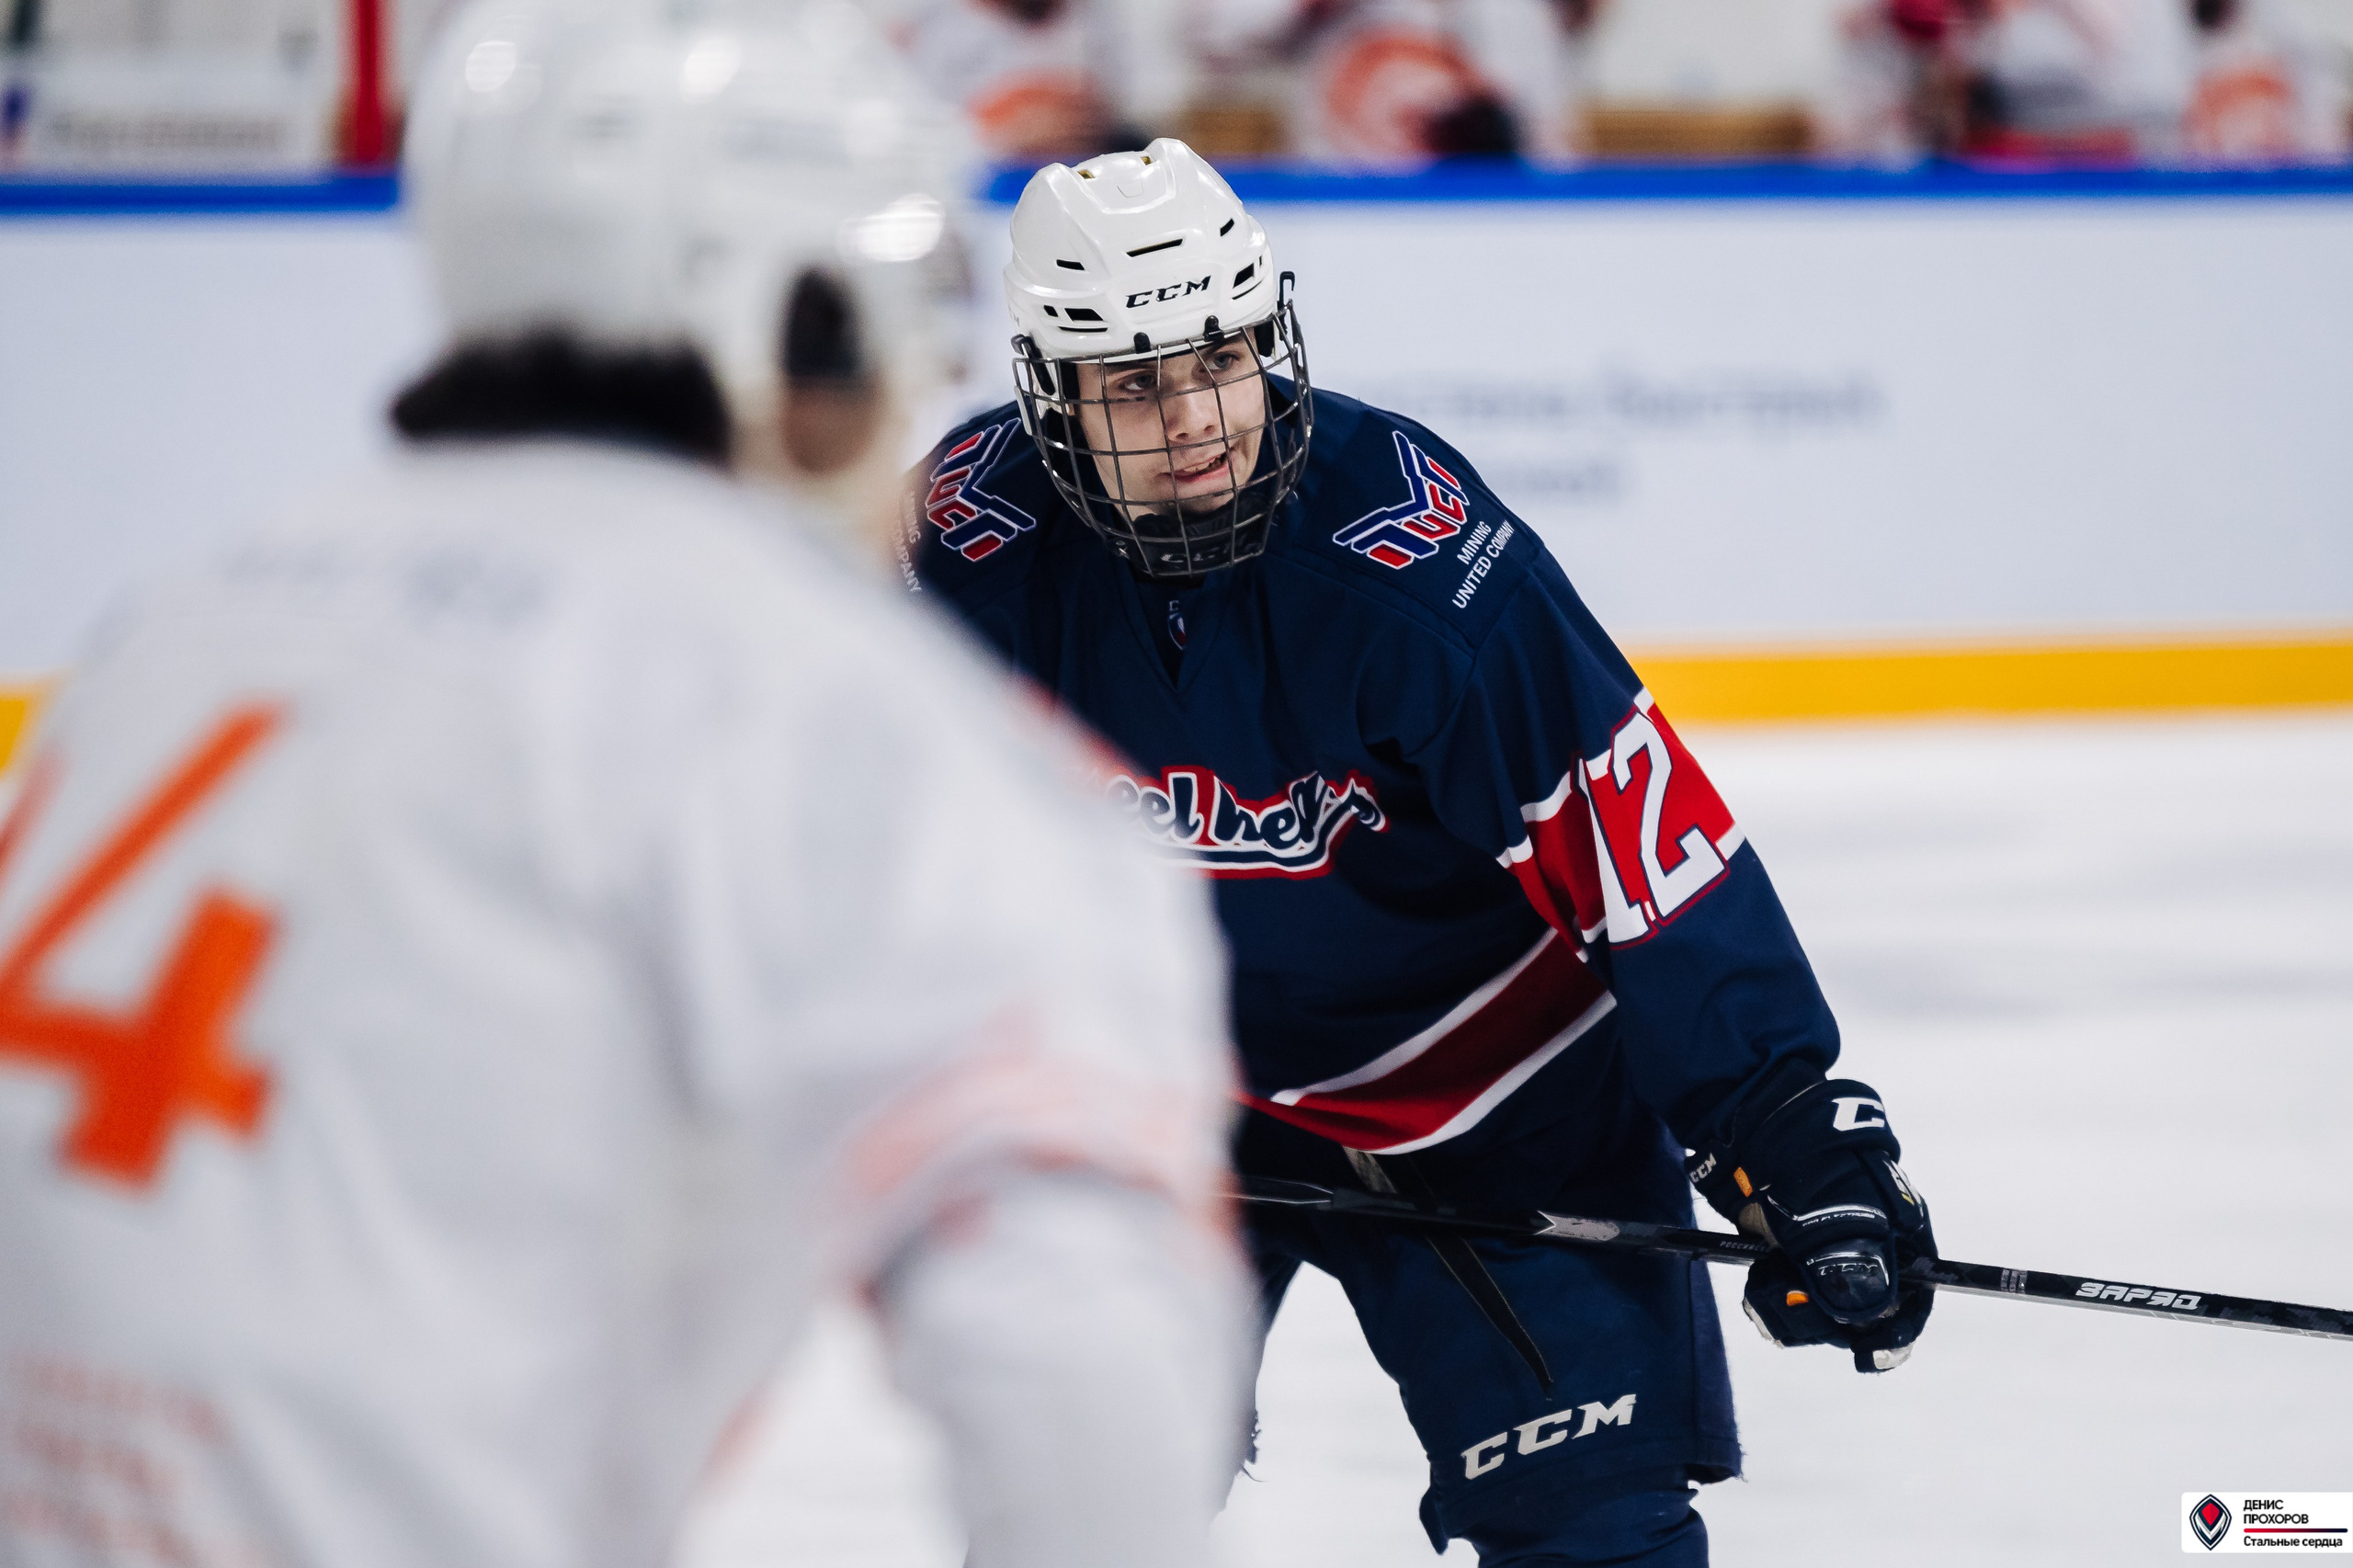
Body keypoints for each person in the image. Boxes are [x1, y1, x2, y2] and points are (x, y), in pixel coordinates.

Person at [0, 10, 1251, 1568]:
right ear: (792, 323)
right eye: (893, 316)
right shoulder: (870, 739)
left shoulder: (171, 636)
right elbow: (1079, 1377)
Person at [904, 139, 1938, 1567]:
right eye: (1135, 383)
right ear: (1050, 391)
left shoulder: (1411, 560)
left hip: (1498, 1103)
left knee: (1593, 1532)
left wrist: (1789, 1131)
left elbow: (1629, 840)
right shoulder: (970, 546)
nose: (1196, 414)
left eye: (1222, 355)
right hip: (1165, 1093)